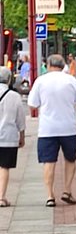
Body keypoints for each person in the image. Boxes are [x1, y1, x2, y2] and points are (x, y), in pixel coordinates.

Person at [27, 54, 76, 207]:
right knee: (70, 159)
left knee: (48, 162)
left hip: (47, 129)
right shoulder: (71, 81)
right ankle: (67, 191)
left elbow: (32, 105)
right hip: (69, 128)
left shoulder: (40, 81)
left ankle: (50, 196)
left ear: (48, 65)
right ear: (63, 65)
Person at [0, 67, 26, 207]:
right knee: (4, 167)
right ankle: (1, 197)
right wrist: (22, 135)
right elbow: (20, 118)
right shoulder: (14, 96)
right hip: (8, 137)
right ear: (9, 79)